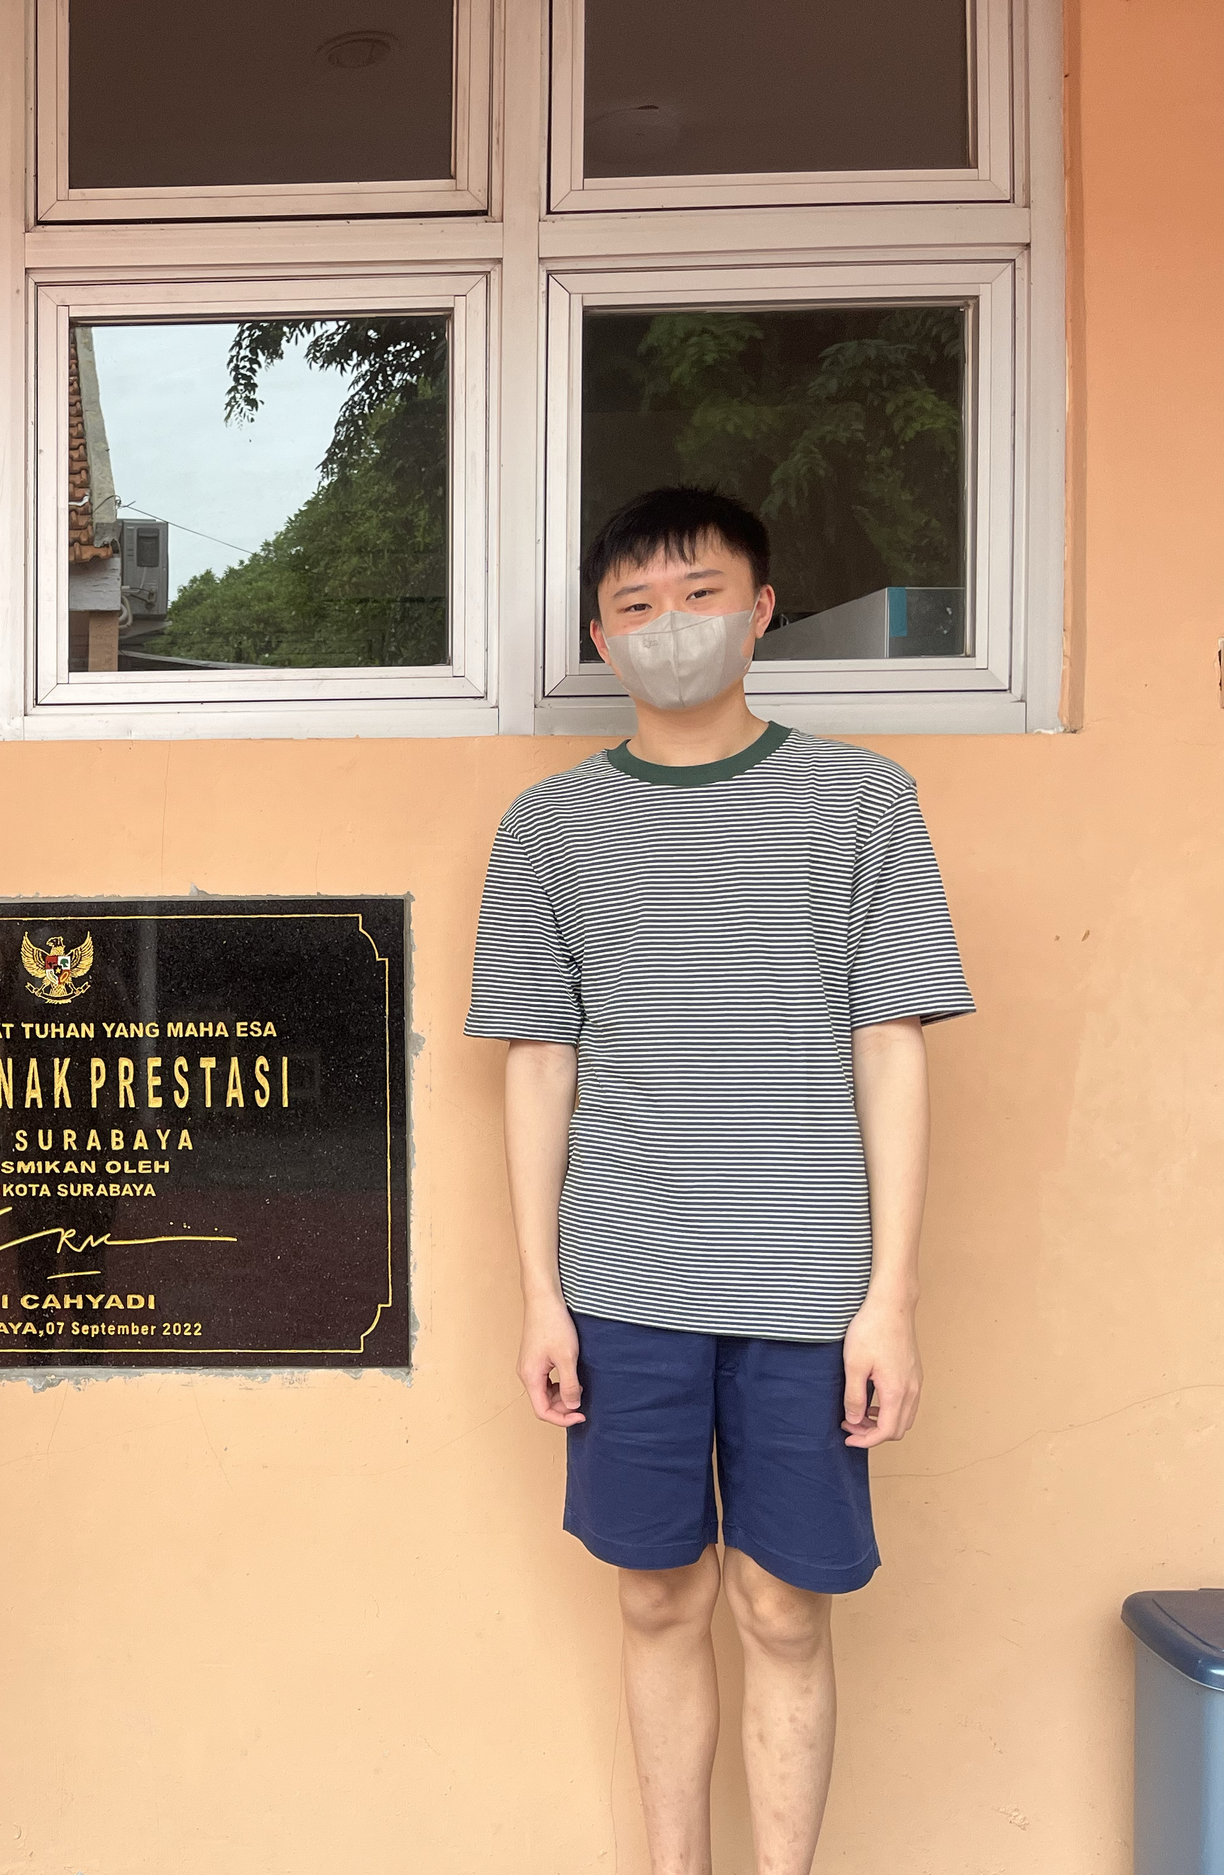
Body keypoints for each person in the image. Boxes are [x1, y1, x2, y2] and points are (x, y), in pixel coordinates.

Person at [465, 488, 973, 1874]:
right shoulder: (547, 831)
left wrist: (892, 1300)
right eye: (634, 606)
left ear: (759, 610)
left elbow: (895, 1048)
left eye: (698, 594)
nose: (668, 626)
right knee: (655, 1597)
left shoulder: (864, 800)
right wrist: (541, 1296)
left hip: (811, 1287)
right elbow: (538, 1068)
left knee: (784, 1608)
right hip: (625, 1278)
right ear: (596, 636)